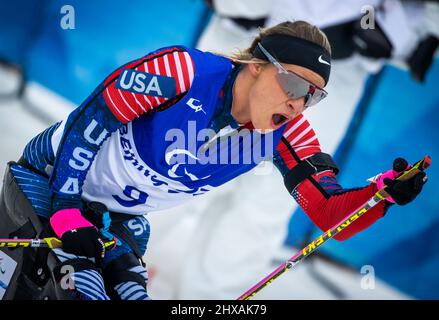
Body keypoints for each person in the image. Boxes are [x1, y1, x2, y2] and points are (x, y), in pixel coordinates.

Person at [0, 20, 427, 300]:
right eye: (295, 84)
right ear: (258, 66)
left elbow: (328, 210)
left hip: (115, 219)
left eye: (314, 95)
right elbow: (88, 120)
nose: (300, 104)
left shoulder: (284, 132)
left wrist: (381, 195)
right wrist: (66, 209)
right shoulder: (184, 72)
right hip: (50, 179)